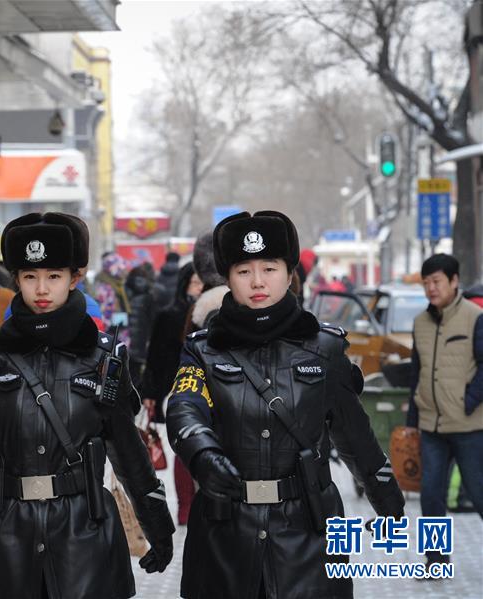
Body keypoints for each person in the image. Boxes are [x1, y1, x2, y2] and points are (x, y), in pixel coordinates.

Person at [0, 212, 175, 599]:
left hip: (84, 532)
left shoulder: (104, 358)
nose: (42, 289)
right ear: (16, 280)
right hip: (9, 532)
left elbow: (127, 451)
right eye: (30, 277)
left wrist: (158, 526)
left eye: (54, 276)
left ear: (74, 279)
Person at [166, 211, 405, 599]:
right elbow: (184, 408)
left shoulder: (325, 349)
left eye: (269, 268)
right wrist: (203, 453)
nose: (257, 281)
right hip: (225, 534)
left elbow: (354, 434)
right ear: (227, 277)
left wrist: (390, 505)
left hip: (308, 532)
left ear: (290, 273)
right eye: (243, 271)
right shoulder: (203, 351)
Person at [407, 253, 483, 573]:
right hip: (431, 426)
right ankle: (436, 560)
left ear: (454, 281)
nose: (431, 288)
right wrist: (412, 420)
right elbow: (417, 372)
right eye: (426, 283)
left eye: (437, 281)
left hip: (468, 426)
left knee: (479, 493)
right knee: (431, 496)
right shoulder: (420, 323)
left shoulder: (475, 317)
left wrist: (469, 401)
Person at [140, 262, 202, 526]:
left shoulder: (215, 313)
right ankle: (186, 507)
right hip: (175, 390)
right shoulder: (169, 315)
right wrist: (150, 392)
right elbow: (155, 356)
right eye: (195, 283)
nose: (199, 288)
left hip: (208, 389)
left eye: (202, 283)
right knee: (183, 446)